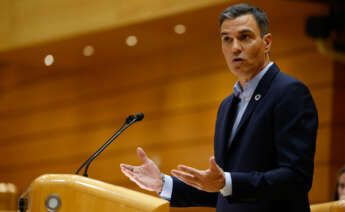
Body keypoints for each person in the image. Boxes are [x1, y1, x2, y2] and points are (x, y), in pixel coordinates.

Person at [120, 3, 318, 212]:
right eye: (227, 39)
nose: (235, 48)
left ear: (266, 42)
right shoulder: (227, 106)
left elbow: (296, 178)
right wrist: (163, 183)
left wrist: (227, 183)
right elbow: (224, 191)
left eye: (245, 37)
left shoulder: (289, 92)